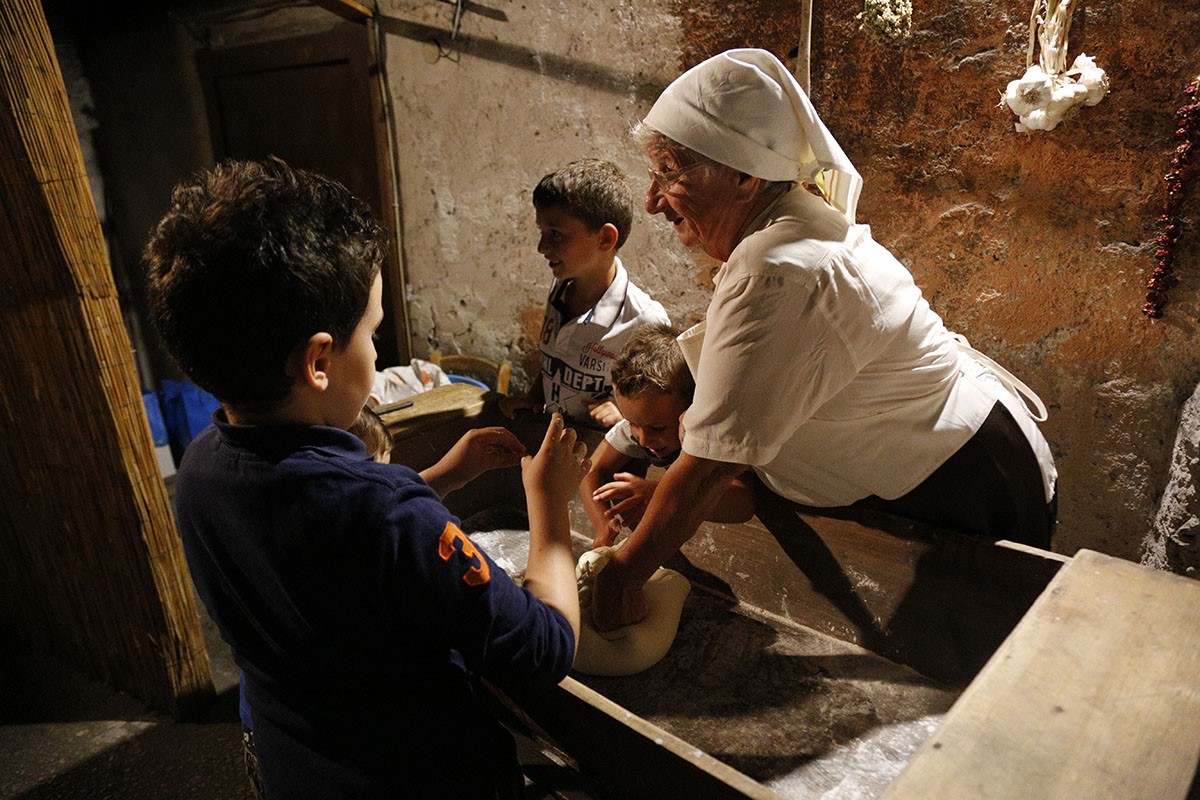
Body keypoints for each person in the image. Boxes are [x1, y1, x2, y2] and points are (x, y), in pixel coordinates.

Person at [144, 157, 589, 799]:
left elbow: (337, 553)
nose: (378, 353)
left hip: (293, 767)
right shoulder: (385, 511)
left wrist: (441, 476)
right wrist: (548, 509)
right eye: (373, 332)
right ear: (319, 359)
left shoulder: (203, 467)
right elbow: (546, 647)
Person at [592, 48, 1058, 632]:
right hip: (942, 466)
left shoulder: (780, 267)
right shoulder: (784, 228)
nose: (652, 201)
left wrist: (621, 576)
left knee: (976, 656)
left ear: (744, 175)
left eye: (669, 171)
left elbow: (711, 466)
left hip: (967, 481)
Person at [501, 158, 671, 429]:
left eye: (555, 234)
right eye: (542, 232)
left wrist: (620, 416)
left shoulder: (644, 320)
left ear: (605, 239)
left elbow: (660, 415)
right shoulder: (560, 288)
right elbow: (556, 362)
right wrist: (534, 396)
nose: (542, 247)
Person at [580, 323, 753, 547]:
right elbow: (592, 470)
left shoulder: (714, 435)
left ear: (692, 409)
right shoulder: (644, 423)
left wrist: (657, 492)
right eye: (632, 423)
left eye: (658, 428)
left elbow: (744, 503)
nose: (643, 439)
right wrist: (603, 525)